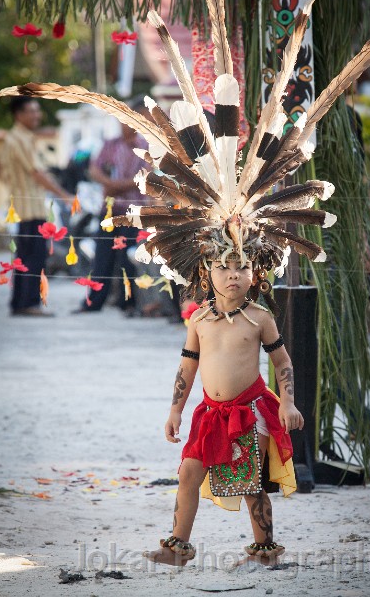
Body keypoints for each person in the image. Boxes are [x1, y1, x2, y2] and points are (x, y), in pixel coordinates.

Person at [142, 257, 303, 566]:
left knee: (251, 484)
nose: (233, 275)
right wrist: (175, 411)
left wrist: (288, 401)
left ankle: (265, 551)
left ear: (255, 275)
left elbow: (282, 362)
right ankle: (176, 550)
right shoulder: (199, 320)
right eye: (223, 268)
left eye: (242, 268)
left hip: (249, 412)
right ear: (206, 273)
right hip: (211, 413)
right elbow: (187, 368)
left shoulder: (260, 318)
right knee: (189, 473)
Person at [0, 96, 73, 316]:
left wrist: (12, 184)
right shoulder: (19, 139)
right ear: (19, 114)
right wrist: (64, 195)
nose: (36, 115)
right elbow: (36, 172)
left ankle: (20, 303)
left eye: (37, 111)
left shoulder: (15, 138)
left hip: (22, 207)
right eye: (31, 111)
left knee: (24, 257)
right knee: (34, 256)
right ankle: (28, 303)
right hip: (30, 209)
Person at [72, 103, 148, 315]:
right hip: (110, 209)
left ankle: (128, 303)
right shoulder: (111, 144)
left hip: (133, 211)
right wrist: (111, 183)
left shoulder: (145, 146)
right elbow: (94, 169)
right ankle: (94, 302)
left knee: (128, 259)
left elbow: (146, 177)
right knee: (102, 256)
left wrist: (113, 186)